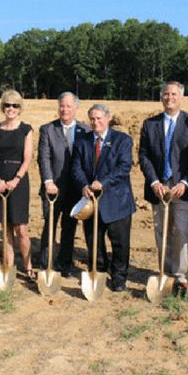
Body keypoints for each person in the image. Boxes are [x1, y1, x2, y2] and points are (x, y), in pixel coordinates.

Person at [138, 81, 188, 297]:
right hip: (158, 187)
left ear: (182, 98)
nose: (169, 98)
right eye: (166, 94)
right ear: (161, 97)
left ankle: (181, 276)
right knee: (161, 231)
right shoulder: (150, 124)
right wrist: (154, 181)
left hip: (182, 187)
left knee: (182, 231)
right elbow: (143, 155)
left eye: (174, 94)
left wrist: (185, 182)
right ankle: (165, 272)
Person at [71, 104, 136, 292]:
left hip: (118, 201)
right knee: (94, 240)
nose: (95, 122)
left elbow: (124, 167)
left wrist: (103, 182)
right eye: (92, 118)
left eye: (99, 118)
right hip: (91, 202)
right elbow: (76, 167)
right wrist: (84, 185)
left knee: (120, 243)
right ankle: (98, 271)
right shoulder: (82, 141)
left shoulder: (122, 140)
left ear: (108, 118)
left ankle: (118, 277)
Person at [37, 92, 91, 277]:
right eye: (62, 105)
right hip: (53, 189)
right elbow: (43, 157)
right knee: (49, 227)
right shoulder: (47, 129)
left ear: (76, 108)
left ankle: (65, 265)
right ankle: (46, 265)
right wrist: (48, 181)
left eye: (68, 106)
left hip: (75, 190)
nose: (64, 109)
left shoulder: (86, 131)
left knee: (69, 228)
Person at [0, 90, 34, 282]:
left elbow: (28, 158)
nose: (11, 109)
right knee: (6, 228)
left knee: (21, 228)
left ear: (20, 108)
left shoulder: (26, 130)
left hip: (19, 181)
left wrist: (16, 179)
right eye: (7, 105)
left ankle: (29, 267)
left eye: (15, 105)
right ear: (2, 107)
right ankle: (9, 267)